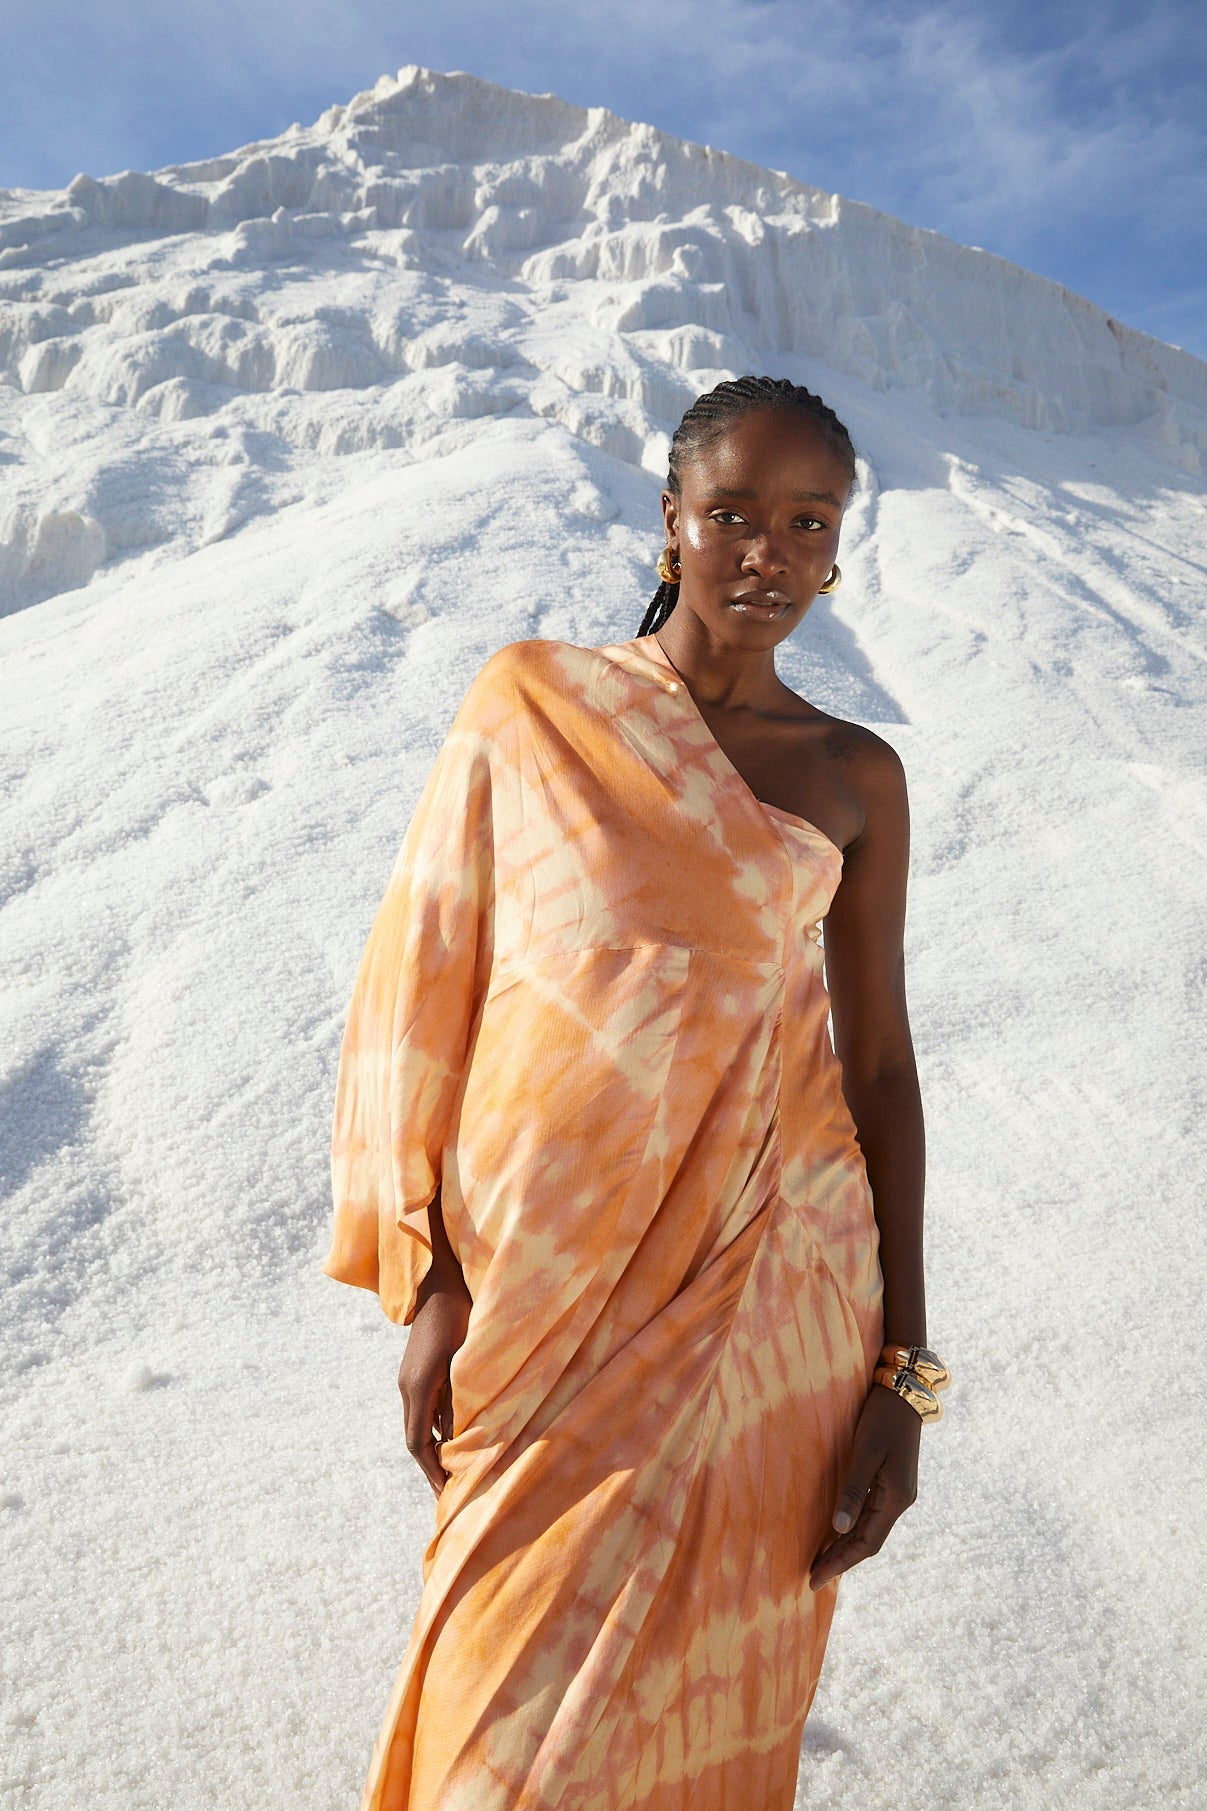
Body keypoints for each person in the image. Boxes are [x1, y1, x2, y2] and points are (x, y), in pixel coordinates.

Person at [324, 375, 949, 1811]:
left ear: (838, 545)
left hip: (770, 1303)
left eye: (808, 521)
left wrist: (903, 1377)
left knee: (695, 1720)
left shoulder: (856, 776)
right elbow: (426, 984)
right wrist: (429, 1282)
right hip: (542, 1293)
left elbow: (883, 1068)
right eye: (733, 512)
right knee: (499, 1718)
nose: (767, 553)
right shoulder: (533, 704)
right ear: (673, 521)